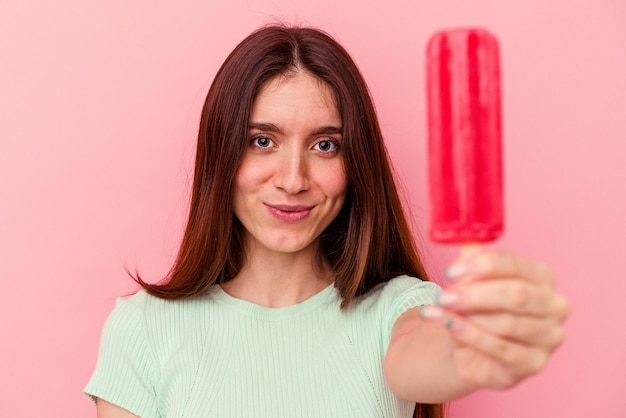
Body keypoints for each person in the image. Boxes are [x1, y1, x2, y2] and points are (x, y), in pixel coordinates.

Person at [84, 24, 569, 418]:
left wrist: (473, 346)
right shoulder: (144, 327)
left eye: (325, 145)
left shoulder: (396, 311)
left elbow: (419, 358)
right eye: (262, 141)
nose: (293, 179)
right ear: (220, 154)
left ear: (355, 162)